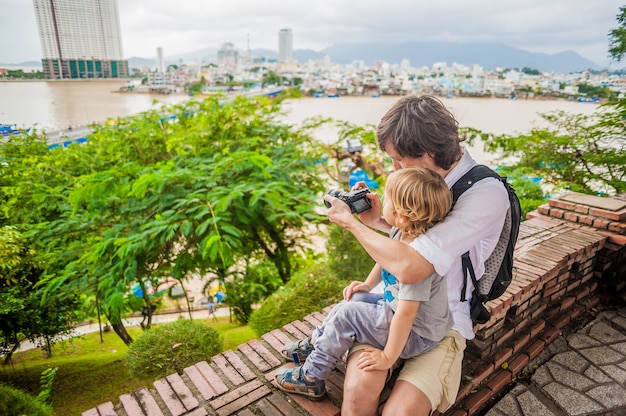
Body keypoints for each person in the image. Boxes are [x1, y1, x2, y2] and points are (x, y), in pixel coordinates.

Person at [326, 95, 510, 416]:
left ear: (426, 153)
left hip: (444, 324)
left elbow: (413, 267)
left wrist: (350, 226)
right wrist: (381, 222)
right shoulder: (421, 182)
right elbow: (415, 241)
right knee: (357, 393)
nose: (395, 168)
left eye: (398, 160)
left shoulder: (484, 193)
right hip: (392, 308)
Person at [275, 167, 454, 401]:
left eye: (388, 199)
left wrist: (388, 357)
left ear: (402, 214)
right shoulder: (403, 232)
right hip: (401, 312)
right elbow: (385, 260)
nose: (383, 201)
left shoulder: (418, 257)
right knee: (354, 299)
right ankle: (317, 342)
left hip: (417, 335)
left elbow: (406, 315)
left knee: (347, 314)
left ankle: (311, 377)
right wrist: (368, 285)